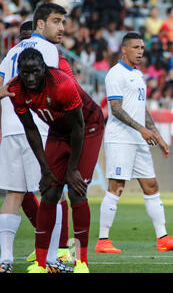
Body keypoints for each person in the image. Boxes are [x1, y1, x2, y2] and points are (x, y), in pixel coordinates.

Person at [3, 47, 105, 273]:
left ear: (44, 69)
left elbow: (78, 128)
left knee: (77, 191)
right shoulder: (16, 89)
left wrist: (71, 170)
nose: (30, 78)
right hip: (58, 131)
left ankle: (81, 262)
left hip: (88, 129)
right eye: (25, 72)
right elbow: (30, 129)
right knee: (49, 191)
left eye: (35, 72)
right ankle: (41, 264)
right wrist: (45, 169)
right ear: (18, 71)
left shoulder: (62, 85)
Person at [95, 32, 173, 254]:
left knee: (151, 185)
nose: (140, 52)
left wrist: (156, 134)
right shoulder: (115, 74)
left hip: (138, 139)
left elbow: (141, 107)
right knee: (116, 187)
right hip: (120, 139)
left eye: (142, 48)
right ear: (124, 49)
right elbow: (116, 109)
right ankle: (103, 240)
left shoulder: (138, 75)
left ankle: (163, 238)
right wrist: (142, 130)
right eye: (136, 47)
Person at [0, 4, 74, 274]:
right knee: (51, 194)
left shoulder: (10, 52)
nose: (61, 28)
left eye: (63, 22)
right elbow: (52, 90)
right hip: (38, 130)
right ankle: (51, 260)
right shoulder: (47, 50)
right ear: (40, 25)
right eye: (56, 21)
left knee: (13, 196)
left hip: (10, 128)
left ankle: (5, 260)